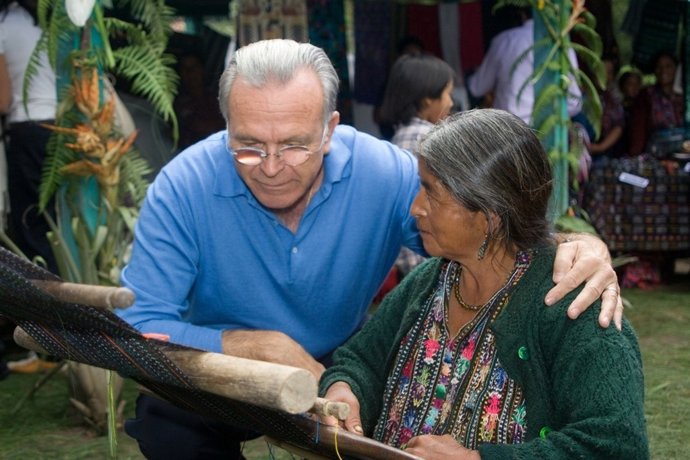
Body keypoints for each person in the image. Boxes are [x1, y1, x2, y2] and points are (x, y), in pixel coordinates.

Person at [118, 39, 622, 459]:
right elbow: (139, 327)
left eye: (294, 144)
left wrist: (582, 245)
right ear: (225, 126)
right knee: (168, 422)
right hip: (226, 363)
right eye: (248, 145)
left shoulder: (385, 173)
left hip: (340, 355)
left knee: (395, 407)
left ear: (331, 129)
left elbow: (481, 223)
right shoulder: (184, 185)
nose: (270, 166)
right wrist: (257, 347)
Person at [320, 109, 648, 459]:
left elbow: (617, 445)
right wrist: (345, 391)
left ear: (490, 215)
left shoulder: (573, 306)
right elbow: (361, 360)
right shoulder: (429, 283)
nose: (415, 207)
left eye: (431, 192)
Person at [378, 53, 455, 279]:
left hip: (408, 263)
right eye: (447, 94)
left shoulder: (397, 139)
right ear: (427, 99)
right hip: (426, 263)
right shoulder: (430, 140)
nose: (451, 102)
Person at [0, 0, 58, 273]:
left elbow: (2, 100)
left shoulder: (5, 24)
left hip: (28, 131)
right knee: (57, 225)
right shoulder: (55, 22)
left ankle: (44, 309)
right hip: (64, 129)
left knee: (31, 227)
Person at [467, 6, 582, 124]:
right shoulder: (560, 45)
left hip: (508, 130)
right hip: (547, 134)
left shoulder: (504, 40)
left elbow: (477, 87)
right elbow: (574, 102)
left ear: (522, 14)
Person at [628, 51, 683, 156]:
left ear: (677, 69)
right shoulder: (646, 95)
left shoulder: (685, 97)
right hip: (656, 156)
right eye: (659, 66)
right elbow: (638, 131)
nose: (663, 71)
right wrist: (635, 155)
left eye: (668, 66)